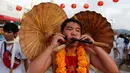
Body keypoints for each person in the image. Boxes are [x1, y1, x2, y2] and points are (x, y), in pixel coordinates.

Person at [27, 18, 118, 73]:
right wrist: (51, 46)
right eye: (69, 29)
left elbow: (113, 71)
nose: (74, 33)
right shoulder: (54, 53)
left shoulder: (87, 52)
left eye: (78, 30)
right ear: (62, 33)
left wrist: (94, 45)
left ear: (81, 35)